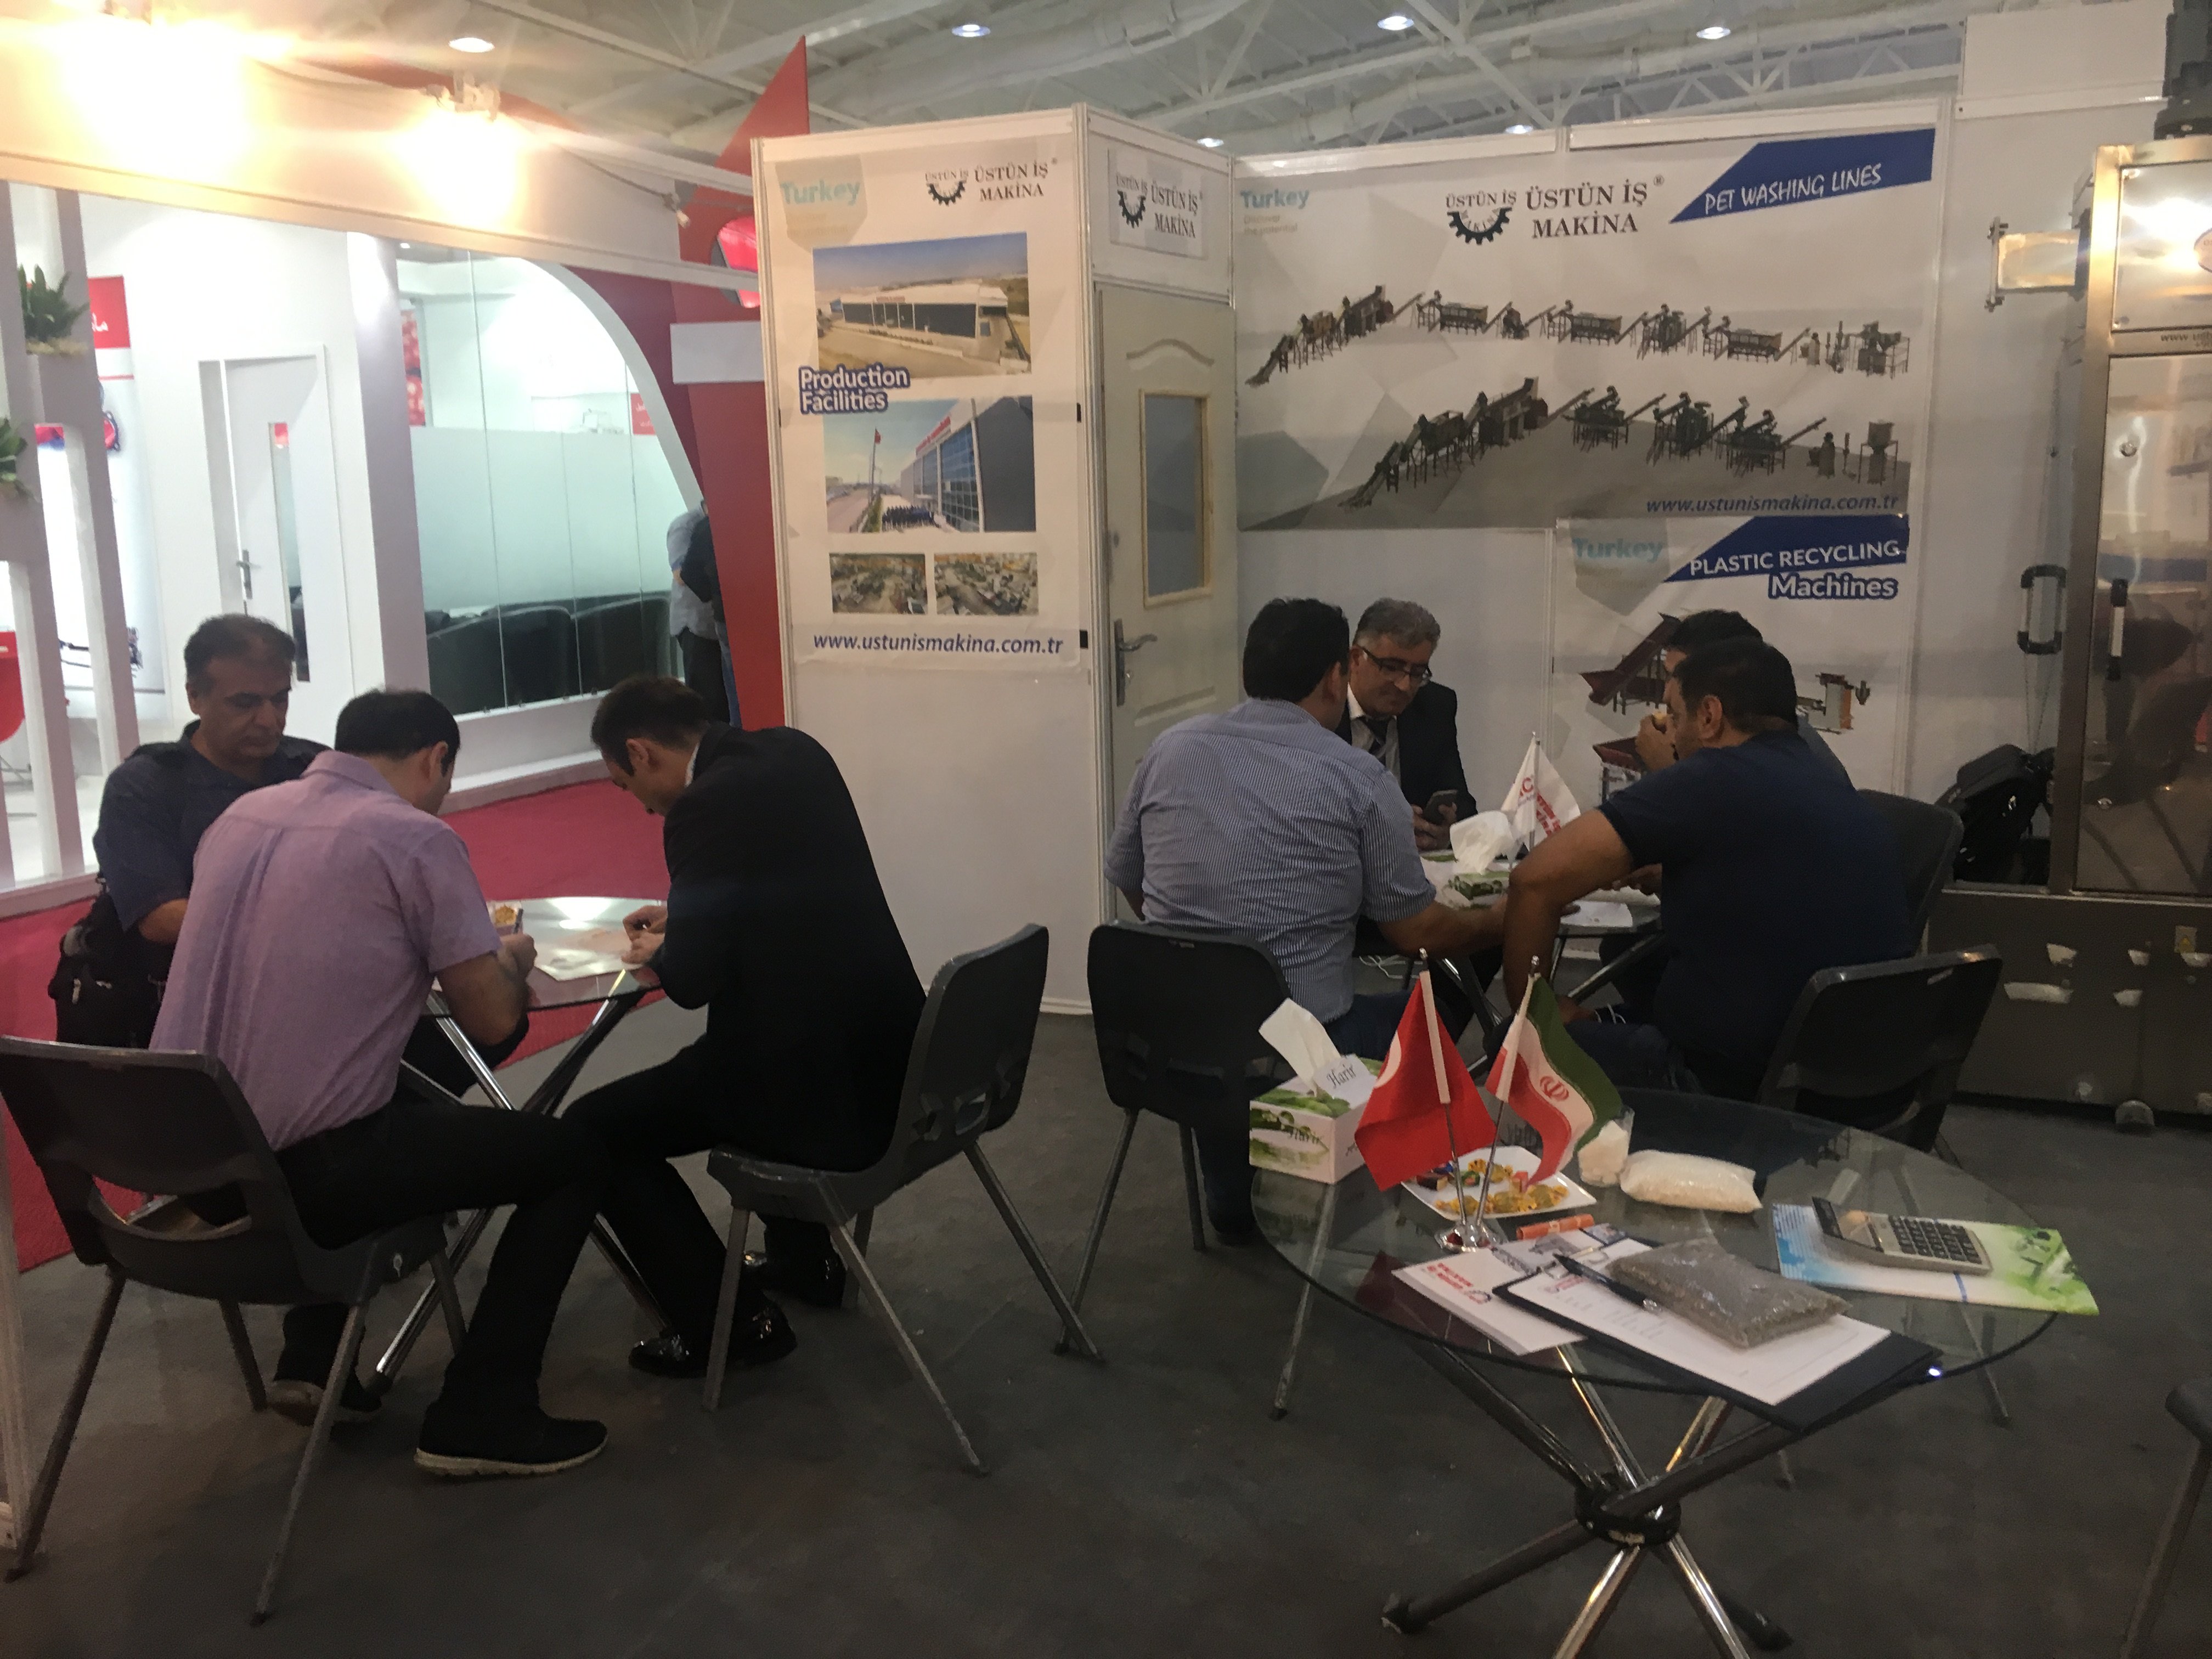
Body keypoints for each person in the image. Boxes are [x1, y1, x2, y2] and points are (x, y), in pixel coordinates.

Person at [153, 691, 607, 1478]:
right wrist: (511, 955)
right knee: (571, 1154)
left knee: (383, 1098)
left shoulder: (241, 818)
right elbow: (493, 1019)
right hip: (309, 1181)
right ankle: (484, 1411)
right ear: (437, 758)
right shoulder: (413, 838)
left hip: (196, 1172)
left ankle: (316, 1355)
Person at [562, 677, 926, 1381]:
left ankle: (728, 1326)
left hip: (811, 1094)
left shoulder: (701, 808)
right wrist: (693, 914)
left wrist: (667, 947)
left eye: (627, 787)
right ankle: (805, 1263)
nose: (642, 805)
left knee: (594, 1129)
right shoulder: (795, 751)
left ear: (639, 752)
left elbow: (693, 983)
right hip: (895, 1059)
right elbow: (787, 886)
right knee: (734, 1052)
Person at [1105, 598, 1504, 1238]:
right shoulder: (1357, 777)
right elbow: (1415, 933)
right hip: (1300, 1048)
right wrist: (1504, 918)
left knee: (1229, 1021)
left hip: (1161, 1044)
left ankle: (1236, 1197)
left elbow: (1128, 877)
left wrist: (1195, 940)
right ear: (1335, 677)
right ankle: (1351, 1198)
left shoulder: (1169, 749)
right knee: (1427, 1014)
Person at [1500, 639, 1911, 1099]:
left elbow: (1534, 881)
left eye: (1675, 717)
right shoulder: (1832, 784)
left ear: (1710, 715)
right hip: (1857, 1078)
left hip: (1734, 1086)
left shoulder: (1711, 777)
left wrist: (1539, 1018)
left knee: (1517, 1046)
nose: (1672, 737)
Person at [53, 615, 321, 1047]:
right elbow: (162, 919)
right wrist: (312, 921)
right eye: (245, 703)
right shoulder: (145, 786)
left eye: (280, 700)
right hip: (179, 1009)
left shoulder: (313, 769)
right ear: (195, 697)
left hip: (304, 994)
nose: (269, 720)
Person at [1633, 610, 1849, 783]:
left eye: (1678, 677)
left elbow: (1723, 823)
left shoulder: (1780, 756)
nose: (1666, 692)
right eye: (1667, 675)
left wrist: (1667, 773)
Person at [1335, 598, 1472, 852]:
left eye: (1418, 673)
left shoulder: (1434, 707)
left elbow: (1463, 804)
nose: (1405, 686)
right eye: (1391, 668)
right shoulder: (1324, 705)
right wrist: (1382, 826)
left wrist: (1447, 832)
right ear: (1355, 659)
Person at [665, 504, 729, 723]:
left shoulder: (722, 523)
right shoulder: (685, 526)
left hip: (716, 623)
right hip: (694, 624)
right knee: (706, 699)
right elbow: (680, 575)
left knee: (722, 697)